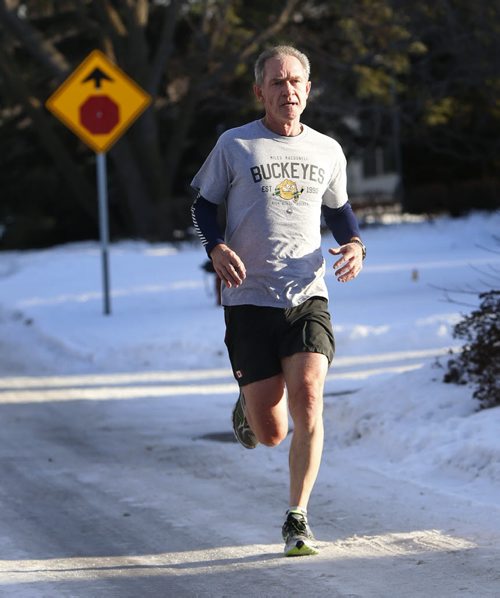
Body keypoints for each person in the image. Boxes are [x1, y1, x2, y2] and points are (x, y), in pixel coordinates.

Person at [190, 45, 365, 557]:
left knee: (310, 399)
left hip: (306, 295)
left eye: (296, 82)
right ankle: (249, 407)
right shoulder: (235, 145)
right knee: (270, 433)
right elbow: (203, 204)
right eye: (278, 82)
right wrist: (216, 247)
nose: (288, 91)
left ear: (308, 90)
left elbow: (341, 210)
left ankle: (297, 517)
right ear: (260, 91)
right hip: (248, 299)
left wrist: (355, 244)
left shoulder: (328, 150)